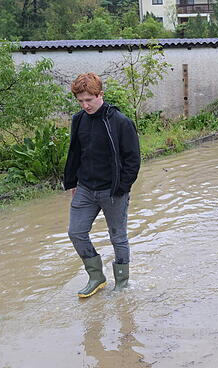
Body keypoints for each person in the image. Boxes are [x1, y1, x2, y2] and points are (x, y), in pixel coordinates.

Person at [63, 72, 141, 298]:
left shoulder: (120, 122)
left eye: (89, 100)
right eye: (80, 101)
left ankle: (122, 283)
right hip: (85, 188)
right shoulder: (79, 120)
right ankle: (96, 277)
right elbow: (75, 152)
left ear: (100, 95)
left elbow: (133, 159)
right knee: (76, 232)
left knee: (118, 237)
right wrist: (71, 182)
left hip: (113, 190)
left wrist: (122, 188)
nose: (85, 105)